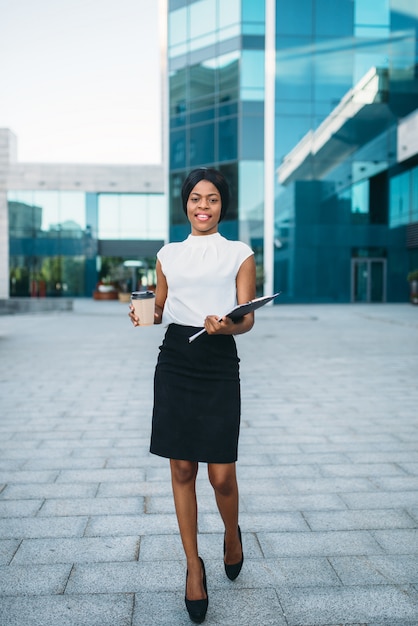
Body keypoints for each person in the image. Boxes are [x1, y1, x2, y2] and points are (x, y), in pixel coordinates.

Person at [129, 167, 256, 624]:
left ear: (224, 205)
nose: (203, 206)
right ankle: (193, 567)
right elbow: (159, 309)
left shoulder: (240, 253)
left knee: (221, 476)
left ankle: (231, 535)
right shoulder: (168, 254)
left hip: (219, 359)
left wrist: (228, 324)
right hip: (176, 361)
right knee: (182, 467)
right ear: (185, 204)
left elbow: (247, 318)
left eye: (213, 199)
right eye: (196, 199)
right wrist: (143, 312)